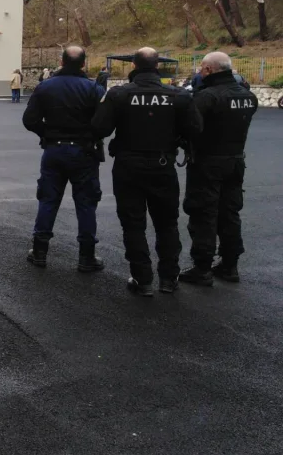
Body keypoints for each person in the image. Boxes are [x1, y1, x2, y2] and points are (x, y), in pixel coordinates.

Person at [92, 48, 203, 297]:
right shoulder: (178, 95)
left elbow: (99, 127)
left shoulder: (119, 94)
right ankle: (168, 279)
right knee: (167, 224)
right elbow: (196, 129)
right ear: (157, 66)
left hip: (128, 166)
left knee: (133, 224)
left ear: (133, 66)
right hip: (163, 166)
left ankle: (142, 279)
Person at [22, 47, 105, 272]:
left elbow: (29, 120)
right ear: (84, 64)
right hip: (84, 152)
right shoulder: (94, 89)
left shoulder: (45, 87)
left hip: (54, 150)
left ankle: (39, 251)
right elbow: (103, 123)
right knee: (86, 204)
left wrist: (47, 133)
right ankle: (86, 257)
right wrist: (89, 136)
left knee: (48, 200)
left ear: (61, 61)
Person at [179, 52, 258, 286]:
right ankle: (230, 265)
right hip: (235, 161)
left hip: (208, 163)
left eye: (202, 68)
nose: (200, 72)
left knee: (204, 213)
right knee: (230, 213)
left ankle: (202, 267)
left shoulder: (207, 97)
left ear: (209, 70)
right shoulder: (248, 96)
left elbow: (191, 128)